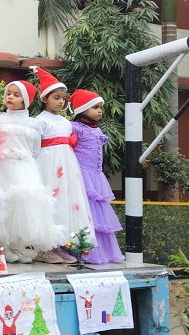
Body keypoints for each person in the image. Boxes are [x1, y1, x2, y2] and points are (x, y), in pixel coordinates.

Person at [0, 80, 65, 264]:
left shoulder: (33, 124)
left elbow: (36, 149)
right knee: (3, 204)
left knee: (23, 207)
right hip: (1, 167)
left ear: (25, 100)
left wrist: (23, 158)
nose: (10, 97)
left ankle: (17, 246)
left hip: (24, 167)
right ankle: (3, 247)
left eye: (16, 95)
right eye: (9, 93)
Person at [32, 67, 97, 263]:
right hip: (47, 165)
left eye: (63, 98)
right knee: (49, 202)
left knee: (64, 202)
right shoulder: (39, 121)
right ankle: (44, 248)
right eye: (56, 97)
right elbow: (35, 148)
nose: (61, 101)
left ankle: (59, 245)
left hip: (67, 165)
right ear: (45, 98)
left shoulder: (66, 122)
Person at [70, 89, 125, 264]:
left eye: (100, 107)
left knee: (99, 217)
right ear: (82, 109)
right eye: (95, 107)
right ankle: (83, 252)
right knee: (85, 211)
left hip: (96, 177)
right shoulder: (75, 128)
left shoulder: (97, 129)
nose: (100, 111)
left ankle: (104, 252)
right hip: (82, 176)